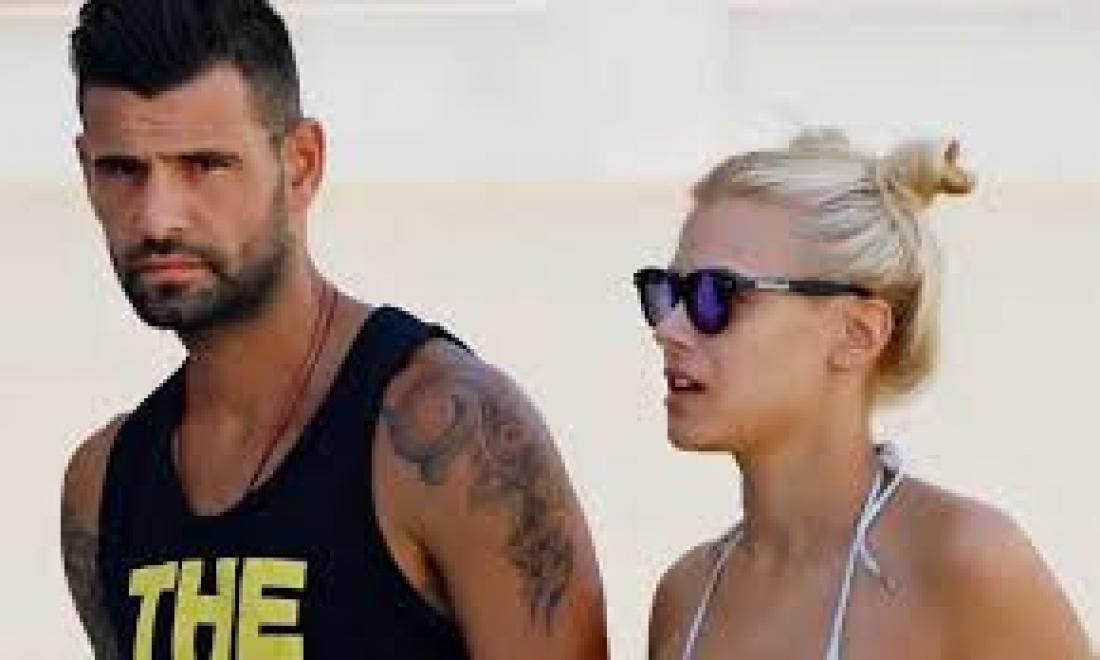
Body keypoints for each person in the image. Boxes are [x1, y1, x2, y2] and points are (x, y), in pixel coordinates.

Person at [59, 1, 607, 658]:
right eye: (123, 170)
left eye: (203, 166)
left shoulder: (450, 438)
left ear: (301, 163)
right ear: (86, 172)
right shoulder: (104, 486)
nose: (158, 218)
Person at [637, 129, 1094, 659]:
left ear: (858, 334)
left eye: (716, 295)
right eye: (666, 291)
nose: (668, 328)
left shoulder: (963, 563)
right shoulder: (687, 597)